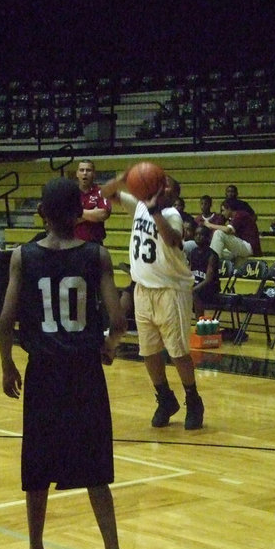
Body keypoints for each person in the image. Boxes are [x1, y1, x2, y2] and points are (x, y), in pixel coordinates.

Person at [0, 177, 135, 549]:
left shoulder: (23, 255)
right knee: (95, 469)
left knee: (36, 470)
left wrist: (7, 367)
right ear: (79, 215)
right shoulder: (97, 254)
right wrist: (109, 348)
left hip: (43, 373)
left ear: (41, 213)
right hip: (84, 374)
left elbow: (5, 321)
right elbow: (117, 320)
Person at [102, 171, 205, 430]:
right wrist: (126, 176)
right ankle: (165, 398)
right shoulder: (138, 206)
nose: (161, 185)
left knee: (178, 351)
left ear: (172, 194)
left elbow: (172, 239)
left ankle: (193, 399)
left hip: (171, 290)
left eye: (167, 184)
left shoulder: (171, 215)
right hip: (143, 290)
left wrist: (155, 209)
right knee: (148, 352)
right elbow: (106, 193)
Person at [203, 197, 262, 269]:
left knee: (219, 233)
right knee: (221, 251)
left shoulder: (240, 215)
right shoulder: (236, 216)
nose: (222, 213)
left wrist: (210, 225)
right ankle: (215, 266)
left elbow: (228, 230)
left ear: (229, 209)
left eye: (223, 210)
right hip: (243, 245)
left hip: (249, 247)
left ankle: (211, 268)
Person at [74, 159, 111, 244]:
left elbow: (103, 214)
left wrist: (77, 213)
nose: (85, 173)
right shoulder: (70, 193)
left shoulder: (101, 192)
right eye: (81, 170)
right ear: (77, 174)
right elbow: (66, 219)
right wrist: (92, 213)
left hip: (95, 243)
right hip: (73, 244)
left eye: (88, 170)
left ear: (94, 174)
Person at [189, 224, 220, 318]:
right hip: (196, 284)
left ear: (207, 237)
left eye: (201, 234)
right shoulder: (192, 252)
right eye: (196, 234)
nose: (198, 236)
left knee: (195, 292)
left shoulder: (212, 255)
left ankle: (200, 322)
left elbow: (208, 279)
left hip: (210, 288)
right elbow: (188, 272)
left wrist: (193, 289)